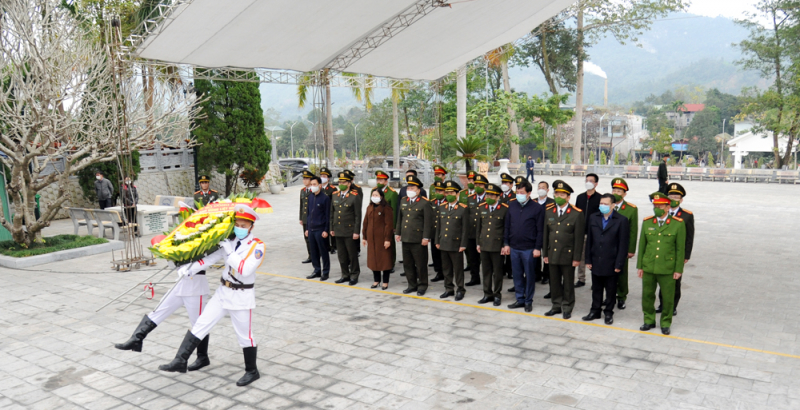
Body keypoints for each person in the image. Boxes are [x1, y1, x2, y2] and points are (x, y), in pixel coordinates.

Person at [158, 204, 265, 387]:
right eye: (237, 224)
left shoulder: (257, 246)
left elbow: (245, 269)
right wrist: (188, 269)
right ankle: (180, 360)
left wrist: (230, 252)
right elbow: (209, 259)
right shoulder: (229, 241)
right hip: (223, 293)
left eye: (243, 225)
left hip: (241, 295)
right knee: (201, 324)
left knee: (244, 336)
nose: (239, 228)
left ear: (251, 227)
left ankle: (252, 371)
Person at [114, 258, 211, 371]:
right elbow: (173, 265)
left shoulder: (201, 242)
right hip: (180, 285)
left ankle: (202, 357)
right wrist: (170, 257)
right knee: (158, 310)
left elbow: (206, 261)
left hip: (196, 289)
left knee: (198, 325)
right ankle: (136, 339)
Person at [637, 192, 686, 335]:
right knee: (647, 295)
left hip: (667, 268)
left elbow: (680, 249)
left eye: (660, 205)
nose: (656, 207)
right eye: (655, 205)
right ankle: (649, 320)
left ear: (667, 207)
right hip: (649, 266)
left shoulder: (678, 224)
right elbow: (642, 246)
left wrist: (678, 269)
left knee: (668, 297)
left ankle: (665, 322)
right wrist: (640, 266)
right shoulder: (647, 222)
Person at [582, 193, 629, 325]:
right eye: (601, 204)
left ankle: (608, 312)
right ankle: (595, 310)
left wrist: (619, 263)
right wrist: (588, 259)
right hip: (596, 259)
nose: (602, 206)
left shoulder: (621, 220)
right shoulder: (593, 218)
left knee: (610, 289)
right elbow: (590, 240)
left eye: (606, 204)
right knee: (596, 288)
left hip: (611, 261)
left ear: (613, 205)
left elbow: (623, 244)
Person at [542, 180, 585, 319]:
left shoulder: (576, 213)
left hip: (568, 255)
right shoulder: (549, 211)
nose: (558, 196)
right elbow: (545, 234)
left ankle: (567, 306)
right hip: (553, 253)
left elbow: (578, 239)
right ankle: (556, 305)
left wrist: (577, 258)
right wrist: (545, 253)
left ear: (568, 197)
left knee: (567, 283)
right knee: (554, 282)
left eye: (562, 194)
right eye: (556, 193)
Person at [503, 178, 544, 313]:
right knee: (517, 274)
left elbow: (540, 230)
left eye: (521, 192)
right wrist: (506, 244)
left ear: (529, 193)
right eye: (517, 192)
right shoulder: (512, 205)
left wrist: (537, 248)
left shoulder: (537, 208)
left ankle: (528, 301)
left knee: (530, 276)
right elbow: (507, 226)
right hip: (514, 247)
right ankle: (520, 299)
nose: (519, 194)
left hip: (529, 249)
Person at [657, 183, 694, 316]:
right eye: (671, 196)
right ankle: (662, 304)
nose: (673, 198)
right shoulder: (661, 213)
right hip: (662, 253)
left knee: (675, 281)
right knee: (662, 279)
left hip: (677, 254)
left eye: (676, 196)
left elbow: (689, 237)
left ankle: (672, 305)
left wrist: (686, 255)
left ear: (681, 199)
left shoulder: (687, 215)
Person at [395, 175, 432, 296]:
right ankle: (411, 284)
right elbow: (400, 218)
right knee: (408, 263)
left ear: (418, 190)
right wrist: (398, 233)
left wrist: (426, 237)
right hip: (406, 237)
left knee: (420, 264)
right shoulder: (404, 200)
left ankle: (422, 285)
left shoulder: (424, 202)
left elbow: (428, 221)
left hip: (418, 239)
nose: (409, 190)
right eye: (408, 187)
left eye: (412, 188)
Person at [435, 180, 469, 300]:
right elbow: (438, 226)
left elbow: (465, 229)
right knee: (446, 268)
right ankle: (448, 288)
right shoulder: (442, 207)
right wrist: (437, 241)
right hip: (443, 242)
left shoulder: (463, 208)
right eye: (447, 192)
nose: (449, 195)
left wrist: (463, 244)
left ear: (457, 194)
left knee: (458, 269)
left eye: (451, 193)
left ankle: (460, 289)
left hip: (456, 243)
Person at [476, 183, 508, 306]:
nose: (488, 197)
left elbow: (506, 228)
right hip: (484, 244)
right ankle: (487, 294)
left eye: (491, 195)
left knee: (497, 272)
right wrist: (478, 243)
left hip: (497, 246)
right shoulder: (482, 207)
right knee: (486, 271)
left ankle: (497, 294)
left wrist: (505, 245)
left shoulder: (504, 209)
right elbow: (479, 227)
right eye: (487, 194)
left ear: (497, 196)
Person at [610, 178, 638, 310]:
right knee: (607, 273)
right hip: (607, 246)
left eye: (619, 191)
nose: (616, 193)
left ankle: (621, 296)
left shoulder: (631, 209)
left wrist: (631, 249)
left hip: (622, 247)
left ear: (624, 194)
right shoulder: (606, 205)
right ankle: (609, 296)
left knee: (621, 273)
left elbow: (633, 230)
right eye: (614, 190)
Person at [330, 172, 362, 286]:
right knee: (341, 255)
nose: (341, 184)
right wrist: (331, 228)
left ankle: (354, 274)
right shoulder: (335, 195)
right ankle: (345, 274)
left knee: (352, 254)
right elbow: (332, 213)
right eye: (340, 182)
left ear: (349, 184)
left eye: (343, 182)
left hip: (349, 230)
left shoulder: (354, 196)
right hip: (338, 229)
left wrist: (356, 231)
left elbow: (358, 215)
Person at [363, 188, 394, 290]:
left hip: (382, 239)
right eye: (373, 195)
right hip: (372, 239)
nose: (374, 197)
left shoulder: (386, 208)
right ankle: (376, 280)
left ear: (381, 197)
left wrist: (387, 239)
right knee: (373, 260)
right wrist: (364, 237)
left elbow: (388, 225)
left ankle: (385, 282)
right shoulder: (369, 207)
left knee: (385, 260)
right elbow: (365, 223)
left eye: (376, 195)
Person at [574, 173, 600, 288]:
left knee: (594, 256)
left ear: (596, 183)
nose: (588, 182)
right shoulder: (580, 197)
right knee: (581, 256)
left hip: (594, 233)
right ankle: (581, 278)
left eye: (591, 180)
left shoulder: (600, 198)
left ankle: (596, 280)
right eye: (587, 180)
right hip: (581, 232)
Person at [305, 177, 331, 281]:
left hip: (320, 229)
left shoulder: (325, 198)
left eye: (314, 184)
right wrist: (307, 228)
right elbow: (308, 214)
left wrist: (326, 230)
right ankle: (316, 270)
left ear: (320, 185)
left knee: (323, 251)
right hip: (311, 229)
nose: (312, 186)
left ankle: (325, 272)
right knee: (314, 251)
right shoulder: (310, 197)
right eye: (311, 184)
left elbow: (328, 215)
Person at [465, 174, 488, 286]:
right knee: (473, 258)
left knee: (485, 259)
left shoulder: (489, 198)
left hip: (484, 233)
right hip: (471, 232)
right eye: (476, 184)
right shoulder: (470, 198)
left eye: (480, 184)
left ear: (485, 186)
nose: (478, 186)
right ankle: (475, 278)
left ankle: (488, 280)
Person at [374, 170, 399, 271]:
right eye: (377, 180)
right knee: (379, 244)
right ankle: (381, 262)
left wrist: (393, 226)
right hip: (377, 223)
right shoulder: (374, 191)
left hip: (387, 223)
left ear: (386, 181)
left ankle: (391, 263)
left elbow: (394, 211)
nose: (379, 182)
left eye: (381, 180)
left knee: (390, 244)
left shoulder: (392, 193)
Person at [534, 181, 555, 288]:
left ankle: (546, 275)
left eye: (543, 187)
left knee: (546, 253)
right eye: (539, 187)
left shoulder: (552, 202)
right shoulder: (533, 201)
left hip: (548, 231)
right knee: (536, 253)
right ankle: (536, 274)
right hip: (535, 232)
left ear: (548, 190)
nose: (541, 189)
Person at [429, 181, 446, 282]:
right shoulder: (432, 202)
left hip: (444, 233)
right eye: (436, 190)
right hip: (434, 232)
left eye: (440, 191)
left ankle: (446, 272)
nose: (438, 192)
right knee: (435, 254)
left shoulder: (447, 203)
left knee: (444, 255)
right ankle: (439, 272)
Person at [319, 168, 337, 255]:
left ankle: (333, 246)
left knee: (331, 228)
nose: (322, 177)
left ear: (328, 178)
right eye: (321, 176)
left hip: (330, 211)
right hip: (321, 212)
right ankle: (326, 246)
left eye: (324, 176)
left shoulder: (332, 189)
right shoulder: (318, 188)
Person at [299, 169, 315, 264]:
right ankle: (310, 255)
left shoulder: (314, 190)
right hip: (305, 218)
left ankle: (315, 254)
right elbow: (301, 205)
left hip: (313, 218)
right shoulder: (302, 191)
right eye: (303, 178)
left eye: (306, 178)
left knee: (313, 238)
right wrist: (301, 218)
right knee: (307, 238)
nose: (304, 180)